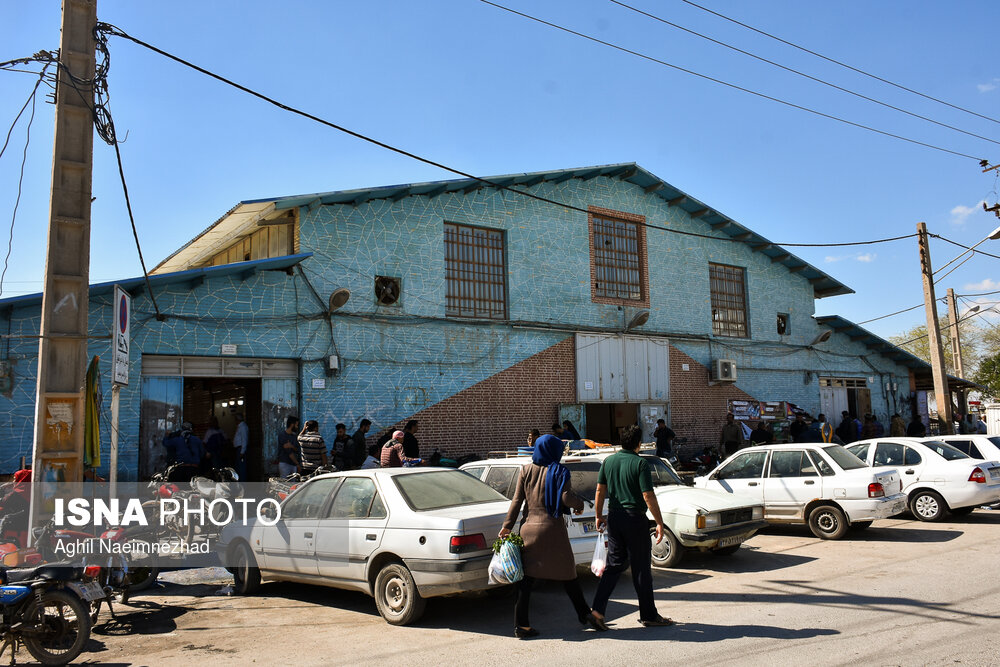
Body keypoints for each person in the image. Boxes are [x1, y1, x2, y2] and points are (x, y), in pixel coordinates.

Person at [498, 434, 602, 638]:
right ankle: (584, 614)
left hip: (528, 529)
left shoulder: (525, 470)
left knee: (526, 579)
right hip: (552, 529)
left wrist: (507, 526)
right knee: (568, 574)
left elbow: (517, 501)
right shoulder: (560, 471)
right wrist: (579, 505)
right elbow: (566, 497)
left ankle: (522, 626)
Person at [591, 424, 672, 628]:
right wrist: (659, 522)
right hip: (635, 519)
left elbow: (600, 491)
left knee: (614, 565)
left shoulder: (608, 461)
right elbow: (648, 495)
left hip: (614, 518)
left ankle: (597, 611)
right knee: (641, 567)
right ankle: (649, 615)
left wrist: (598, 515)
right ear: (639, 443)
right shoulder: (640, 463)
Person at [233, 413, 249, 479]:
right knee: (238, 468)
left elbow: (244, 440)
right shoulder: (239, 426)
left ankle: (243, 482)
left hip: (241, 450)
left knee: (242, 468)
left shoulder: (243, 427)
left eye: (235, 419)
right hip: (238, 449)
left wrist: (242, 452)